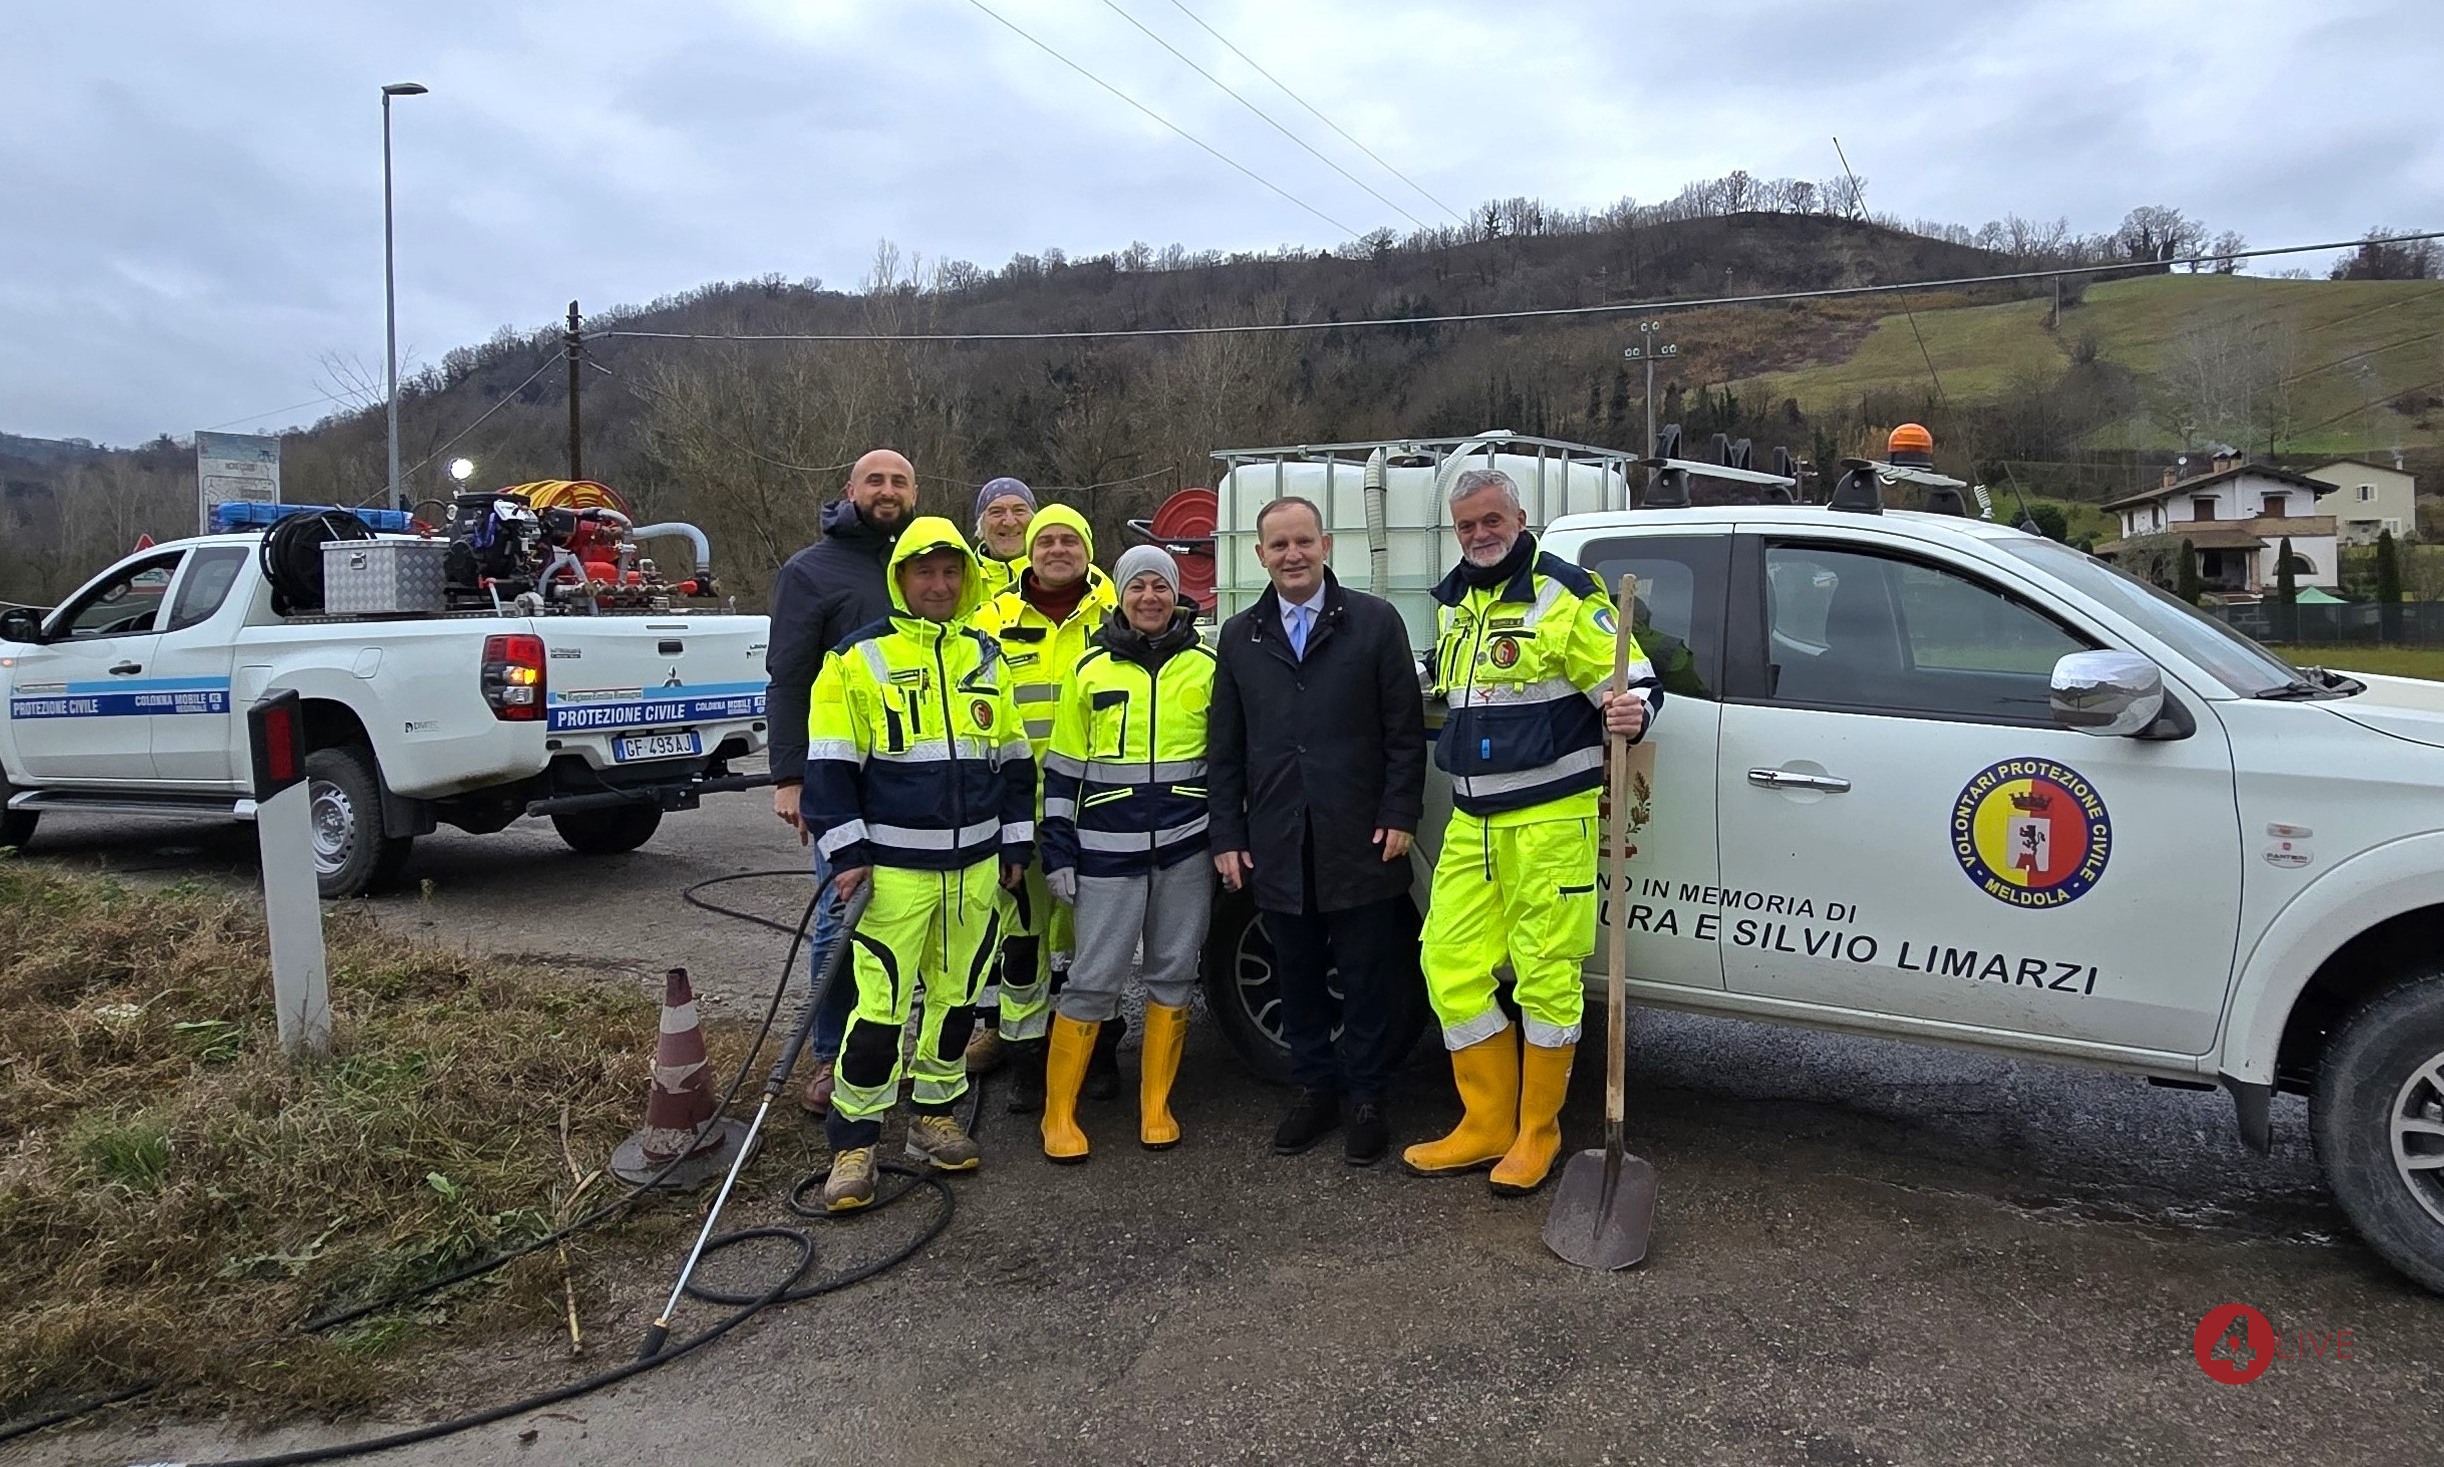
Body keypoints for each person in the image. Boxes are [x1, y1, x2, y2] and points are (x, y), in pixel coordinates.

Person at [1402, 468, 1658, 1195]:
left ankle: (1536, 1132)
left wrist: (1633, 711)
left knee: (1546, 976)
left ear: (1520, 519)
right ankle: (1485, 1122)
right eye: (1466, 525)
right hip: (1472, 819)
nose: (1479, 534)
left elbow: (1633, 683)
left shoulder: (1566, 593)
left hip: (1550, 820)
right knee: (1447, 964)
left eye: (1492, 520)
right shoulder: (1456, 604)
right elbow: (1455, 687)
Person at [800, 517, 1033, 1211]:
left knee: (957, 1002)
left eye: (950, 571)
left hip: (977, 871)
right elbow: (829, 769)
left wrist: (1015, 845)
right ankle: (854, 1143)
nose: (939, 584)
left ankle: (933, 1117)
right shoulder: (855, 659)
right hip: (893, 873)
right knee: (879, 1011)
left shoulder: (986, 657)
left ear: (966, 578)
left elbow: (1014, 761)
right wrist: (847, 855)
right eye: (924, 572)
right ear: (900, 578)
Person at [1208, 497, 1426, 1166]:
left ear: (1326, 544)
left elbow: (1403, 731)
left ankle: (1366, 1098)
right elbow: (1225, 748)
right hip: (1277, 837)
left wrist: (1400, 813)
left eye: (1303, 540)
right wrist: (1227, 834)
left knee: (1365, 976)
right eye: (1279, 545)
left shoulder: (1374, 622)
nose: (1292, 554)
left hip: (1359, 834)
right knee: (1295, 972)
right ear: (1260, 555)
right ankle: (1314, 1090)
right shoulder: (1239, 637)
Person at [1038, 545, 1216, 1161]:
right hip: (1105, 855)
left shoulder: (1207, 667)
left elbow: (1227, 765)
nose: (1149, 597)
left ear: (1175, 594)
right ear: (1119, 594)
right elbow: (1062, 770)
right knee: (1092, 980)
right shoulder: (1090, 669)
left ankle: (1156, 1105)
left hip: (1186, 851)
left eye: (1160, 586)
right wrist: (1057, 850)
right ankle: (1058, 1114)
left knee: (1174, 973)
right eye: (1137, 586)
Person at [764, 449, 916, 1119]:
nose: (887, 490)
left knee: (910, 919)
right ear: (849, 491)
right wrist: (790, 777)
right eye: (875, 480)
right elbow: (788, 676)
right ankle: (830, 1055)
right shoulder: (810, 571)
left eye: (899, 482)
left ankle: (890, 1049)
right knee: (840, 918)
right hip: (838, 775)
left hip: (917, 775)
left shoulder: (924, 563)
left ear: (914, 494)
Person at [966, 504, 1119, 1107]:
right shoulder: (991, 619)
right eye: (1045, 541)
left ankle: (1099, 1051)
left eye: (1069, 540)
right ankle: (1027, 1056)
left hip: (1096, 807)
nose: (1058, 549)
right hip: (1020, 811)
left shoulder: (1116, 614)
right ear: (1030, 551)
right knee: (1023, 937)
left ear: (1087, 549)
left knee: (1094, 938)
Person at [973, 476, 1036, 600]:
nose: (1009, 522)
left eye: (1019, 510)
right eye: (996, 512)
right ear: (981, 524)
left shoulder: (1053, 576)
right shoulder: (964, 580)